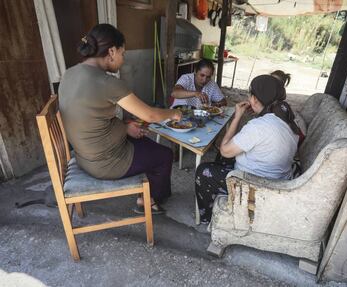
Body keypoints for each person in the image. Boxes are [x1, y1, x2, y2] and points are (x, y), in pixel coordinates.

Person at [58, 24, 182, 214]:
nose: (123, 60)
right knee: (165, 156)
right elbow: (150, 115)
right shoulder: (107, 83)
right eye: (123, 53)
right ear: (112, 51)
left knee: (145, 142)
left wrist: (125, 127)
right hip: (105, 163)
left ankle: (148, 190)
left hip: (83, 155)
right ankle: (148, 201)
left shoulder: (69, 73)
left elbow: (92, 118)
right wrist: (173, 113)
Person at [194, 75, 302, 224]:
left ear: (255, 99)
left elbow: (225, 149)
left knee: (204, 170)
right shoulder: (287, 119)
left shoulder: (258, 126)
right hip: (278, 177)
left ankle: (207, 218)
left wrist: (237, 116)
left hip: (258, 186)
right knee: (224, 157)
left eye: (250, 95)